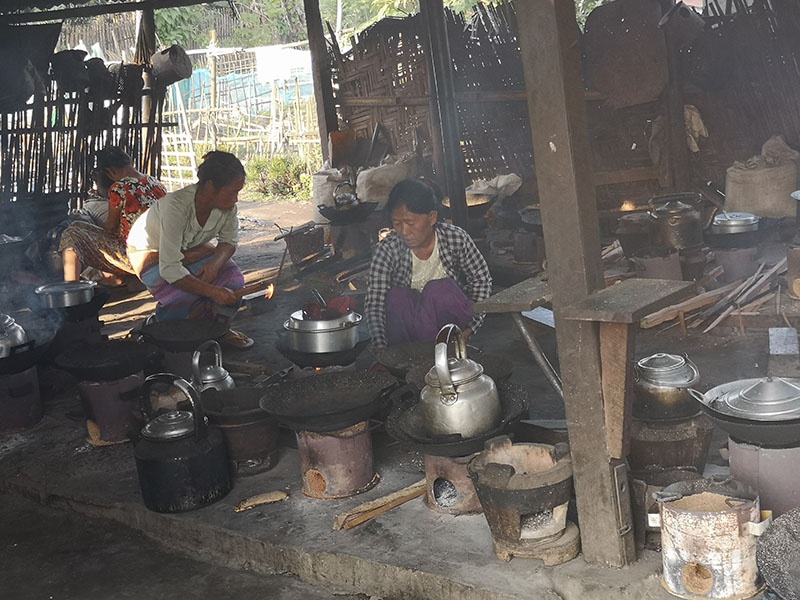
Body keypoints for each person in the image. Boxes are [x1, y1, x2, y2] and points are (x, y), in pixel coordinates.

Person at [126, 151, 253, 349]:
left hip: (190, 249)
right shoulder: (175, 207)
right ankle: (157, 327)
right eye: (232, 192)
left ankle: (219, 330)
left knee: (233, 280)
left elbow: (229, 241)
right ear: (210, 187)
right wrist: (213, 291)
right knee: (182, 297)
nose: (236, 199)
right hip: (149, 253)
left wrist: (214, 265)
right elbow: (170, 269)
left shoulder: (227, 207)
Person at [364, 178, 492, 348]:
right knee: (396, 298)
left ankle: (443, 350)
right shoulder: (387, 249)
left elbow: (481, 280)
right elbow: (375, 303)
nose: (404, 231)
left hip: (448, 329)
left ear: (432, 218)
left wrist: (471, 328)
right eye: (397, 224)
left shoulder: (455, 238)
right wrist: (381, 349)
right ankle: (411, 356)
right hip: (408, 334)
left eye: (410, 223)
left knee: (439, 290)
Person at [59, 146, 166, 285]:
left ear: (111, 171)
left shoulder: (120, 188)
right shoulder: (155, 183)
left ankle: (71, 290)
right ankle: (121, 279)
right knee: (78, 226)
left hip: (136, 255)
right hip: (161, 250)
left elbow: (111, 228)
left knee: (71, 234)